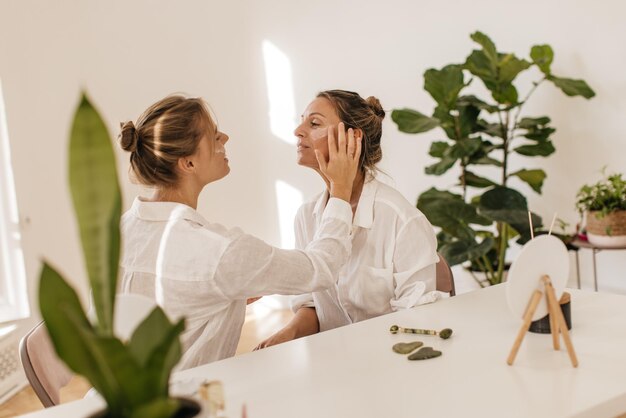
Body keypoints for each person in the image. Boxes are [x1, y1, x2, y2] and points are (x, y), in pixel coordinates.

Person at [117, 94, 361, 370]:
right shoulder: (218, 250)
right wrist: (340, 191)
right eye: (213, 136)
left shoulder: (121, 230)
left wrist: (227, 292)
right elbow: (322, 267)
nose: (225, 138)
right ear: (188, 163)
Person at [256, 90, 440, 349]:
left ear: (352, 138)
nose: (298, 131)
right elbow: (312, 304)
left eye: (314, 123)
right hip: (333, 363)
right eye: (302, 121)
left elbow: (417, 319)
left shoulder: (401, 220)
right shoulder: (307, 216)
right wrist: (286, 334)